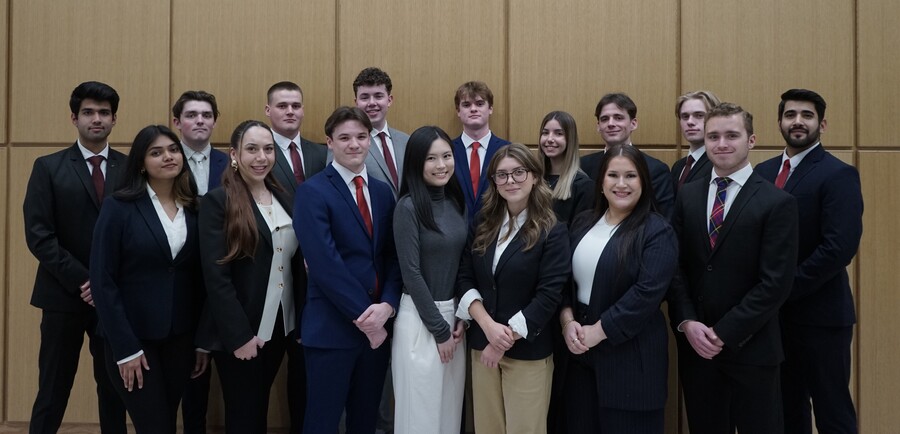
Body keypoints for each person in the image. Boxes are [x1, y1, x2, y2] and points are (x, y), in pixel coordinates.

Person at [668, 102, 799, 434]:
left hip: (752, 348)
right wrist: (687, 321)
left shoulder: (777, 202)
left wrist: (723, 333)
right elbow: (675, 265)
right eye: (713, 136)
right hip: (697, 349)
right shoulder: (688, 195)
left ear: (751, 141)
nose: (721, 144)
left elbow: (775, 284)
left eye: (731, 135)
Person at [756, 89, 862, 434]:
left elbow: (838, 248)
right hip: (775, 320)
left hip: (822, 318)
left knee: (832, 409)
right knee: (786, 408)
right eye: (790, 115)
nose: (797, 121)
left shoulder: (838, 174)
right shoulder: (763, 171)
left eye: (807, 115)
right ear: (780, 122)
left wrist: (783, 288)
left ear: (822, 124)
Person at [23, 80, 127, 434]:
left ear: (114, 119)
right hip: (63, 296)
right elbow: (39, 235)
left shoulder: (130, 169)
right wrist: (86, 280)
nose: (96, 119)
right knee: (53, 388)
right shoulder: (48, 167)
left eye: (104, 113)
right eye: (88, 112)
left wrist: (103, 284)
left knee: (114, 389)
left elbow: (136, 234)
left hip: (113, 299)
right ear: (74, 118)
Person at [294, 107, 402, 434]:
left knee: (365, 420)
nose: (353, 144)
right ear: (329, 142)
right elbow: (324, 264)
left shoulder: (383, 193)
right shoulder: (312, 191)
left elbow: (391, 257)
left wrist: (387, 305)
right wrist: (365, 318)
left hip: (379, 327)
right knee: (322, 422)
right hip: (332, 329)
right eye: (344, 138)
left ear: (370, 140)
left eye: (360, 136)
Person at [196, 120, 307, 433]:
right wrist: (239, 336)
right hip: (243, 331)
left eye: (268, 149)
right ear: (234, 154)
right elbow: (216, 278)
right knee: (246, 418)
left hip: (284, 326)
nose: (262, 157)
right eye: (252, 149)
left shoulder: (286, 196)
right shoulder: (219, 201)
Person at [90, 125, 203, 433]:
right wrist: (125, 349)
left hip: (179, 339)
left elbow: (199, 279)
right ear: (141, 162)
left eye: (173, 149)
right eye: (156, 152)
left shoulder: (195, 208)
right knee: (154, 425)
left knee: (166, 421)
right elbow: (103, 281)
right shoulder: (119, 207)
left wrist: (201, 343)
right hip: (133, 339)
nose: (168, 157)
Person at [559, 144, 677, 433]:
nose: (621, 184)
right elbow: (563, 280)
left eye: (631, 176)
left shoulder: (657, 230)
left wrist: (597, 332)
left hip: (630, 360)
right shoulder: (583, 222)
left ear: (644, 183)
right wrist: (567, 321)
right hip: (578, 354)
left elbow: (646, 294)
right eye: (613, 175)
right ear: (601, 182)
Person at [456, 143, 569, 434]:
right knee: (487, 429)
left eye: (519, 173)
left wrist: (501, 340)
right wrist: (487, 328)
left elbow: (549, 295)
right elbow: (465, 278)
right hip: (482, 348)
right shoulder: (483, 222)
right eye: (502, 175)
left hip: (527, 352)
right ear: (494, 182)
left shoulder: (552, 229)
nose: (511, 181)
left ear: (534, 176)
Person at [391, 126, 468, 434]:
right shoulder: (408, 207)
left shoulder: (454, 203)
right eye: (431, 158)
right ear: (416, 163)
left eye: (447, 156)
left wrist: (463, 317)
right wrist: (439, 330)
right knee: (419, 420)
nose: (441, 165)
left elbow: (461, 265)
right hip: (422, 322)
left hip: (453, 324)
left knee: (448, 416)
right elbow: (411, 273)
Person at [171, 89, 227, 434]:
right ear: (176, 122)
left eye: (207, 115)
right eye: (192, 115)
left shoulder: (230, 163)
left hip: (223, 275)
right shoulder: (163, 159)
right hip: (180, 279)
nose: (200, 121)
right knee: (187, 373)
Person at [579, 93, 675, 216]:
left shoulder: (656, 169)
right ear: (598, 126)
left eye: (618, 118)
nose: (611, 123)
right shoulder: (582, 166)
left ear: (633, 124)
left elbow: (663, 219)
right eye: (604, 119)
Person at [450, 81, 511, 225]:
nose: (473, 109)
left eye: (479, 103)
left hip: (497, 231)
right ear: (458, 111)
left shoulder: (508, 150)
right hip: (456, 235)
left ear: (490, 108)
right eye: (466, 105)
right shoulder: (447, 151)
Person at [354, 66, 410, 197]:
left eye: (378, 96)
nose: (372, 103)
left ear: (389, 100)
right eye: (365, 97)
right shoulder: (347, 143)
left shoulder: (407, 141)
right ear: (356, 102)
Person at [266, 81, 328, 196]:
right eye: (282, 106)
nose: (290, 112)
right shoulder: (260, 154)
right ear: (268, 110)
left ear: (302, 110)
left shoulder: (322, 154)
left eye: (296, 106)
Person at [538, 110, 594, 226]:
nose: (549, 139)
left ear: (570, 139)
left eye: (558, 133)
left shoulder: (583, 186)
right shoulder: (533, 179)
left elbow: (579, 233)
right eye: (545, 133)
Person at [671, 91, 720, 193]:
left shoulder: (719, 164)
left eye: (699, 115)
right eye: (685, 116)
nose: (690, 122)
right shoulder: (678, 166)